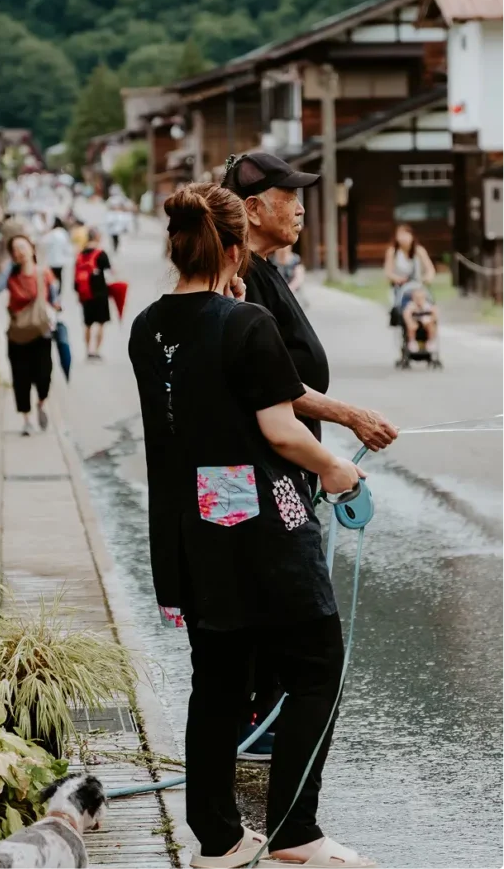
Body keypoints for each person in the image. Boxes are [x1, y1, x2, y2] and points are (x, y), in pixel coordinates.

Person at [129, 182, 376, 869]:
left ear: (177, 247)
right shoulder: (246, 324)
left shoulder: (147, 326)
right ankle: (296, 831)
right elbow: (281, 430)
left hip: (188, 530)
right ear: (235, 250)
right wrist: (338, 470)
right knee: (316, 667)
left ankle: (218, 839)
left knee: (217, 681)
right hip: (262, 527)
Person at [222, 152, 398, 758]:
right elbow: (273, 388)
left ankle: (262, 718)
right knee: (284, 598)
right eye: (289, 197)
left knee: (278, 596)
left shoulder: (266, 270)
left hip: (286, 464)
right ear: (252, 209)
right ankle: (258, 725)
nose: (300, 208)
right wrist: (349, 421)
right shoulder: (241, 277)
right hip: (267, 468)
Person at [0, 235, 58, 436]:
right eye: (15, 249)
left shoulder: (44, 273)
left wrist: (55, 309)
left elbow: (54, 297)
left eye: (22, 246)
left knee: (44, 376)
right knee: (21, 379)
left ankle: (41, 402)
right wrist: (8, 269)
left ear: (31, 248)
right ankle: (27, 420)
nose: (19, 251)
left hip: (41, 334)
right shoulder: (11, 275)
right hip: (17, 335)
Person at [384, 223, 436, 323]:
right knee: (404, 308)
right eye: (401, 235)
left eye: (406, 235)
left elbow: (430, 269)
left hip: (417, 285)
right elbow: (388, 273)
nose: (404, 238)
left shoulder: (419, 251)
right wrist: (398, 279)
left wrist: (427, 278)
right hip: (400, 287)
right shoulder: (393, 252)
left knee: (429, 305)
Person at [74, 227, 111, 360]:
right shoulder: (101, 253)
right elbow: (109, 272)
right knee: (100, 323)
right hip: (100, 292)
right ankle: (96, 351)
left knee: (87, 324)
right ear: (97, 237)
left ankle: (87, 351)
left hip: (85, 294)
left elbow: (75, 277)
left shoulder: (80, 254)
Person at [402, 285, 438, 353]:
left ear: (424, 298)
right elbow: (406, 314)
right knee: (411, 328)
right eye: (417, 298)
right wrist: (410, 322)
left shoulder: (427, 305)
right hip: (415, 323)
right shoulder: (411, 305)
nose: (419, 300)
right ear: (413, 298)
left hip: (426, 323)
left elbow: (435, 313)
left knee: (431, 326)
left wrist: (432, 319)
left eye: (421, 298)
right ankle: (412, 342)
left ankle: (430, 341)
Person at [42, 216, 73, 288]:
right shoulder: (63, 232)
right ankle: (59, 290)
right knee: (59, 277)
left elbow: (43, 242)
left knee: (53, 277)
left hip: (52, 260)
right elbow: (67, 247)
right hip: (61, 260)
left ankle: (54, 290)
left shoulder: (52, 233)